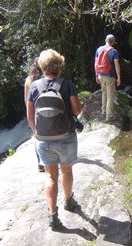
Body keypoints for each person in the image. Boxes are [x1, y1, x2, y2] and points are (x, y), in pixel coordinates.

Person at [26, 49, 83, 229]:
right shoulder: (67, 84)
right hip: (66, 136)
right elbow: (77, 111)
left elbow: (29, 117)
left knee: (50, 177)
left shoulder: (34, 86)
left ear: (42, 66)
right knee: (66, 172)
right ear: (59, 66)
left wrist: (37, 133)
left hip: (43, 139)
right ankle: (68, 201)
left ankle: (53, 215)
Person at [24, 58, 45, 172]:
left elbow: (26, 99)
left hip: (34, 110)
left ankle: (40, 163)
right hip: (45, 109)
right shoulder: (45, 79)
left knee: (36, 135)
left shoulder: (28, 80)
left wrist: (29, 112)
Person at [94, 34, 121, 122]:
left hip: (101, 75)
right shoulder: (114, 51)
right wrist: (119, 77)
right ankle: (109, 117)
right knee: (110, 96)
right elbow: (117, 65)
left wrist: (96, 75)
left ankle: (103, 111)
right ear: (113, 42)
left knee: (104, 93)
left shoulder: (98, 49)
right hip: (110, 76)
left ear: (106, 40)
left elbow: (96, 63)